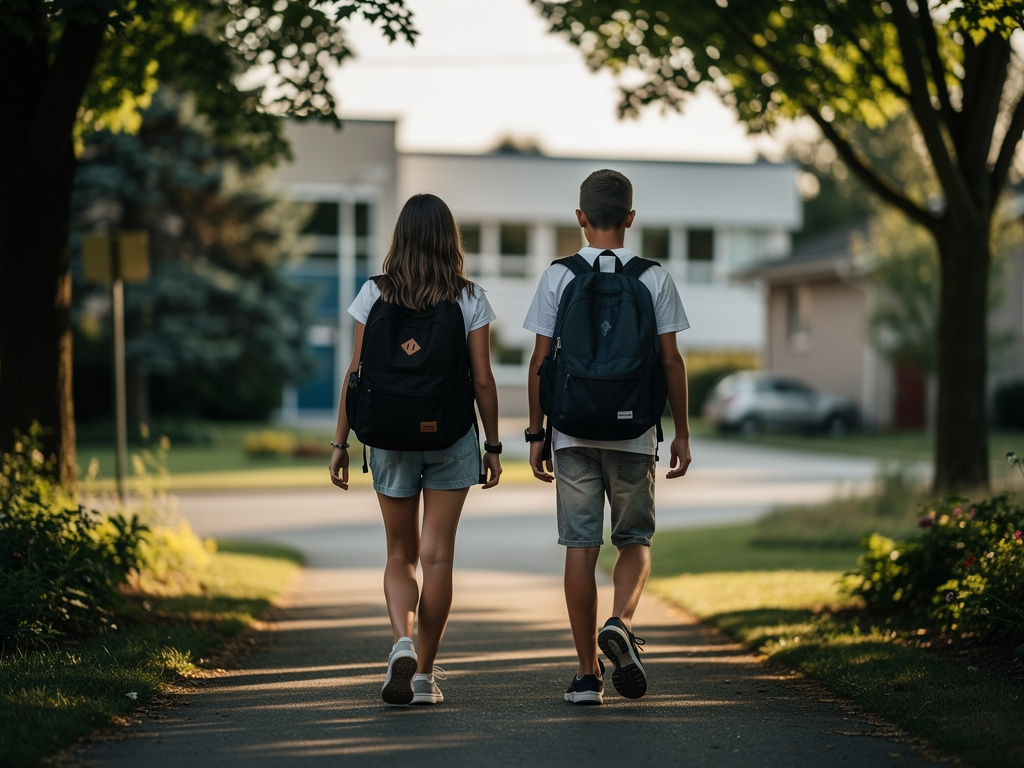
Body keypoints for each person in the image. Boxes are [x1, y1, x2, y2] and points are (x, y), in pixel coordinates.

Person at [524, 169, 691, 705]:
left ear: (580, 218)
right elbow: (671, 362)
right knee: (634, 541)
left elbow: (540, 361)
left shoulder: (558, 275)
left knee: (580, 545)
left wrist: (536, 433)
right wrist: (682, 434)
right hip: (634, 430)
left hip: (571, 430)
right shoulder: (653, 278)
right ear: (630, 219)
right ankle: (619, 623)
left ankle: (585, 676)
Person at [330, 193, 502, 706]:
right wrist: (492, 446)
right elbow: (484, 380)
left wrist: (340, 442)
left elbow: (355, 374)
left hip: (388, 436)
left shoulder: (373, 293)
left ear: (399, 236)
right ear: (450, 238)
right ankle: (424, 676)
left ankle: (401, 642)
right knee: (437, 557)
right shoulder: (470, 298)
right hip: (450, 435)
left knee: (399, 553)